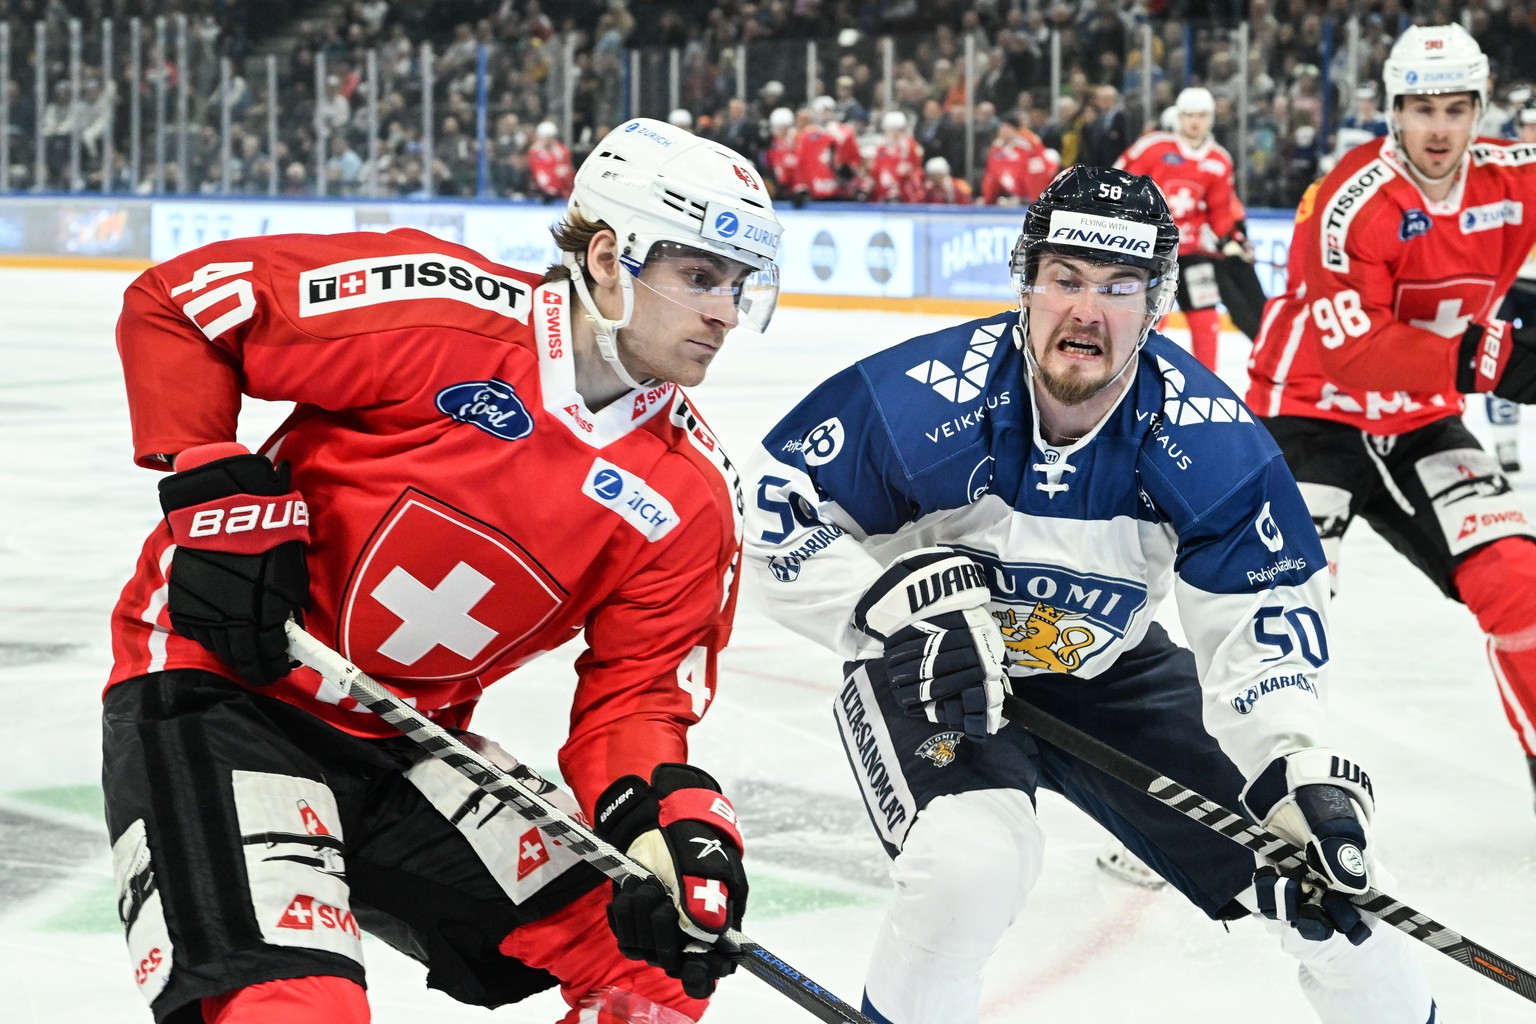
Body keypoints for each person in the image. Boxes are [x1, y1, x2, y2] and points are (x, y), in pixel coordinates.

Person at [102, 117, 782, 1024]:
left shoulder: (692, 496)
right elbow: (183, 302)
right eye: (700, 277)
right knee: (295, 1012)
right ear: (612, 257)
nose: (725, 314)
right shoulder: (437, 304)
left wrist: (669, 820)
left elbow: (636, 702)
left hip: (410, 738)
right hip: (224, 687)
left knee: (654, 962)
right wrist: (211, 486)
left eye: (738, 287)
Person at [743, 163, 1434, 1024]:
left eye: (1118, 286)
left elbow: (1267, 612)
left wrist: (1287, 766)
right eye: (1065, 279)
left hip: (1108, 668)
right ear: (1025, 284)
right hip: (935, 657)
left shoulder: (1206, 437)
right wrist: (886, 602)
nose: (1086, 309)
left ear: (1155, 304)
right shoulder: (927, 396)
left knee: (1339, 894)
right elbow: (777, 508)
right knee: (969, 869)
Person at [1246, 23, 1536, 804]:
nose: (1437, 128)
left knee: (1521, 585)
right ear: (1391, 111)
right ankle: (1216, 801)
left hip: (1419, 418)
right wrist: (1490, 359)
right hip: (1310, 412)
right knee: (1279, 610)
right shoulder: (1348, 201)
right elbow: (1353, 352)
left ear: (1481, 110)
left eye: (1455, 108)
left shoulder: (1516, 177)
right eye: (1420, 108)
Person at [1115, 86, 1243, 373]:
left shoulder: (1219, 160)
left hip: (1193, 252)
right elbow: (1121, 182)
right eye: (1188, 115)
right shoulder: (1153, 147)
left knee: (1206, 319)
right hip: (1151, 251)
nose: (1194, 122)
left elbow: (1220, 210)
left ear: (1211, 118)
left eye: (1201, 116)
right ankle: (1138, 373)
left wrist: (1231, 238)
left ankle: (1207, 380)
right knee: (1152, 315)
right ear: (1178, 116)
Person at [979, 112, 1058, 206]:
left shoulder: (1028, 142)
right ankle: (990, 200)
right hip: (1014, 187)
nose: (1002, 131)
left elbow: (1042, 161)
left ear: (1013, 128)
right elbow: (992, 173)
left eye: (1005, 127)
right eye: (1001, 127)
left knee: (1035, 166)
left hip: (1037, 185)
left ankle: (1037, 201)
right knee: (991, 172)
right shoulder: (997, 148)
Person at [527, 119, 575, 201]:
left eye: (549, 138)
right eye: (544, 138)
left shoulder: (562, 152)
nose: (547, 141)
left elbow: (564, 171)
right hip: (541, 190)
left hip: (561, 191)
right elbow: (537, 171)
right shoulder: (534, 152)